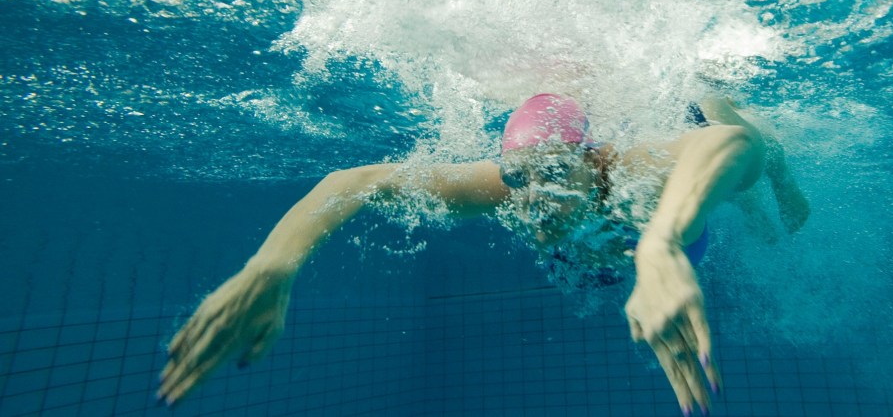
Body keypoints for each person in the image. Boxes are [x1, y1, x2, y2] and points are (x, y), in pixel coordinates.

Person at [158, 94, 809, 413]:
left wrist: (661, 242)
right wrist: (271, 265)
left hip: (682, 201)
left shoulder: (632, 169)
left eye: (553, 174)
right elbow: (353, 182)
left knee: (744, 168)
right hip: (617, 254)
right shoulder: (502, 188)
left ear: (593, 160)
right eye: (521, 177)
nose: (534, 198)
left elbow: (731, 143)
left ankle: (764, 166)